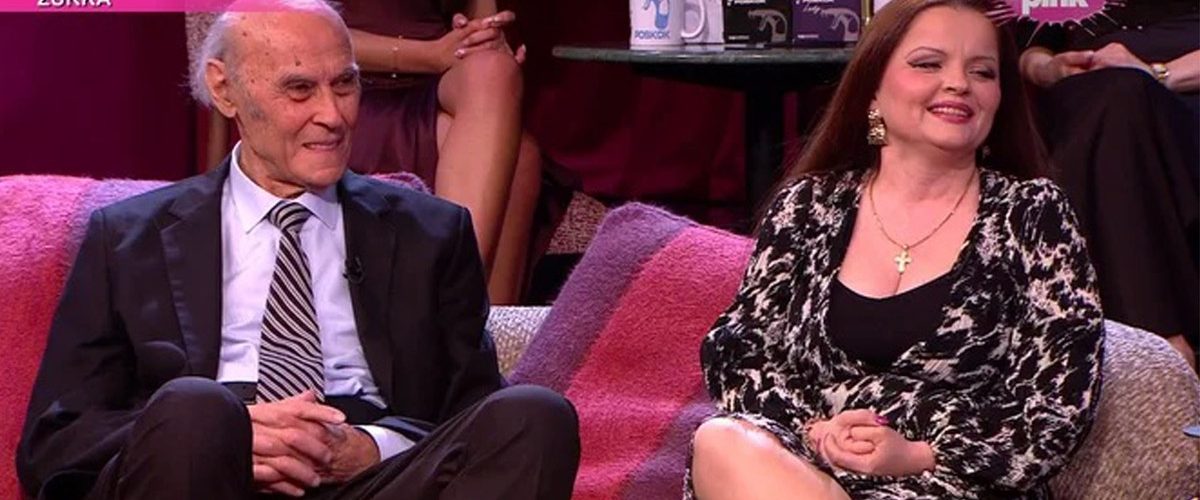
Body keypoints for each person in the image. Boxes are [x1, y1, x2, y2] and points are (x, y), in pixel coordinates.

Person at [16, 1, 580, 498]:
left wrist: (373, 446)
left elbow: (469, 413)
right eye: (300, 89)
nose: (332, 116)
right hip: (199, 468)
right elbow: (57, 439)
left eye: (345, 84)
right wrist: (230, 431)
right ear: (225, 89)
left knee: (535, 415)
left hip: (370, 477)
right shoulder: (127, 237)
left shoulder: (430, 233)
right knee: (196, 407)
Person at [686, 0, 1104, 498]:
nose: (959, 83)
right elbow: (740, 351)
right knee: (721, 441)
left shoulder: (1034, 214)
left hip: (955, 482)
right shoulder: (809, 206)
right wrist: (817, 431)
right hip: (808, 462)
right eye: (928, 64)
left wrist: (919, 454)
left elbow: (1058, 405)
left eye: (982, 72)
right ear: (872, 88)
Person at [1015, 1, 1199, 370]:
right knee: (1105, 113)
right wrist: (1049, 69)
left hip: (1181, 99)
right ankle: (1156, 349)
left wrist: (1158, 73)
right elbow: (1027, 50)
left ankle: (1150, 343)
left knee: (1121, 100)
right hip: (1088, 102)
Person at [340, 0, 541, 305]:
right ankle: (454, 311)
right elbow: (283, 30)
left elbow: (482, 17)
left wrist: (488, 41)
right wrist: (429, 55)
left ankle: (451, 301)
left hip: (437, 84)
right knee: (522, 158)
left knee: (495, 70)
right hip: (349, 87)